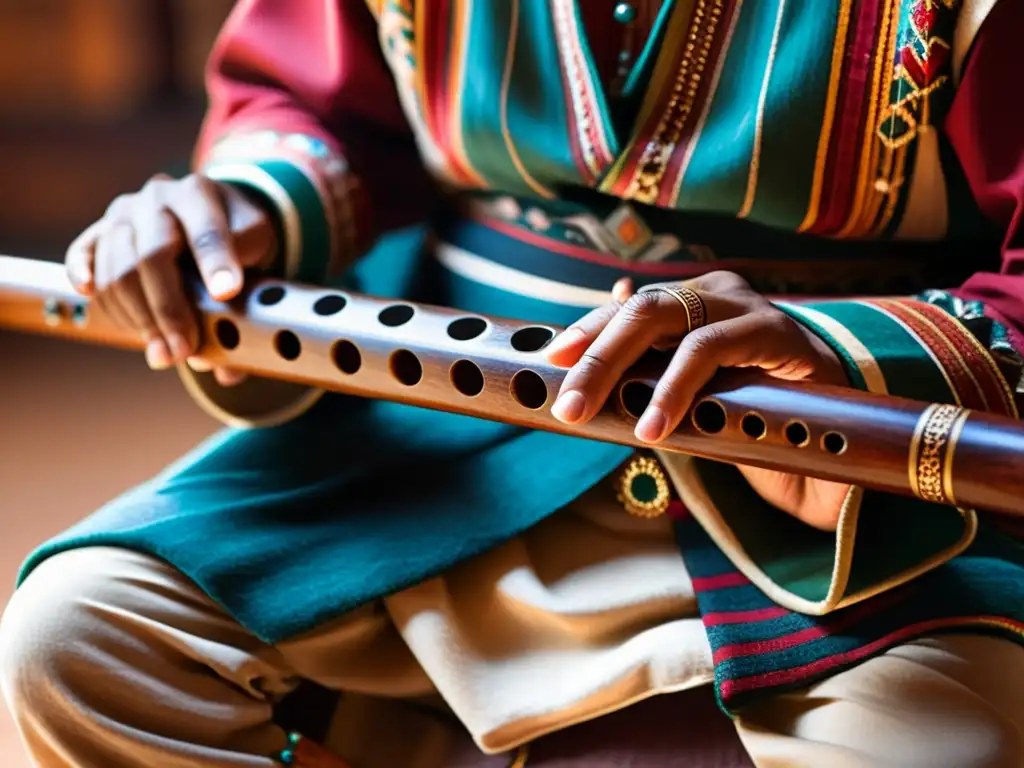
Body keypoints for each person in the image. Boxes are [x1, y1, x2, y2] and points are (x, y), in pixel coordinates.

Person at [2, 0, 1024, 765]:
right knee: (77, 641)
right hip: (449, 420)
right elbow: (321, 101)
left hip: (840, 466)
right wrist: (241, 210)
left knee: (925, 745)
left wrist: (839, 356)